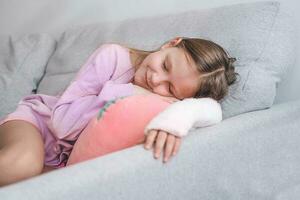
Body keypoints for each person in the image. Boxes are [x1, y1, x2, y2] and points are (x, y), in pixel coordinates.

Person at [0, 36, 238, 186]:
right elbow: (62, 123)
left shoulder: (167, 105)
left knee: (41, 188)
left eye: (170, 87)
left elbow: (209, 110)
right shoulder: (112, 56)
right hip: (38, 123)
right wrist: (128, 92)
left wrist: (181, 110)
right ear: (171, 43)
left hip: (64, 161)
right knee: (23, 166)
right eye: (165, 65)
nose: (156, 80)